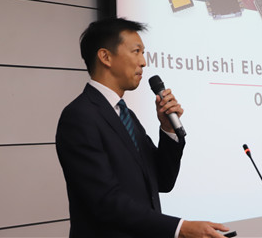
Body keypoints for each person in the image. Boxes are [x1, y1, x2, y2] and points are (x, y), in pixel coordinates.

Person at [56, 17, 229, 238]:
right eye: (136, 51)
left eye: (143, 53)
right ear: (105, 57)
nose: (144, 62)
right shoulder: (79, 116)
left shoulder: (126, 115)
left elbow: (162, 181)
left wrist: (168, 129)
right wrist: (180, 229)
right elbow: (105, 201)